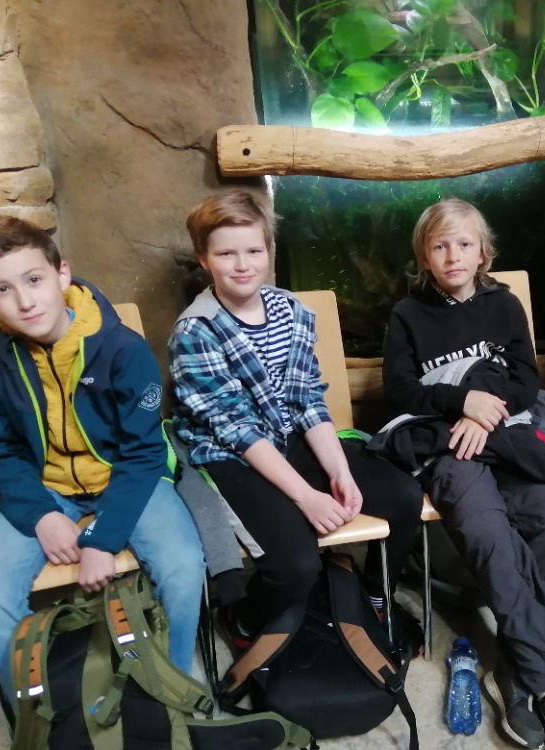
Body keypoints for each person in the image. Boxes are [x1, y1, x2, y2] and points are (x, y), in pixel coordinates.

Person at [0, 217, 205, 701]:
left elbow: (143, 452)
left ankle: (175, 697)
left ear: (62, 274)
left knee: (182, 567)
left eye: (34, 279)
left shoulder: (123, 348)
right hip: (42, 486)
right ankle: (45, 714)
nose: (25, 301)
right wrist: (42, 515)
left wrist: (102, 538)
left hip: (126, 479)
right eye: (2, 290)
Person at [382, 198, 545, 750]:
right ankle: (544, 681)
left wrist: (485, 412)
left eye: (464, 244)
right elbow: (400, 390)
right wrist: (462, 403)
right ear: (424, 257)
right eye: (440, 246)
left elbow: (526, 380)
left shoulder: (504, 305)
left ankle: (514, 666)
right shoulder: (407, 314)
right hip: (448, 443)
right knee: (486, 532)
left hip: (503, 432)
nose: (453, 255)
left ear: (483, 253)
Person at [168, 190, 422, 646]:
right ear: (204, 259)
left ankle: (375, 594)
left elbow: (307, 399)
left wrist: (339, 472)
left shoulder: (291, 310)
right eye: (226, 253)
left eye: (253, 250)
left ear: (269, 251)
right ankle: (243, 618)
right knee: (296, 565)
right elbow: (237, 431)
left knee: (404, 496)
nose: (242, 264)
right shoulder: (195, 331)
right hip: (234, 455)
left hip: (291, 436)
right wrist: (307, 497)